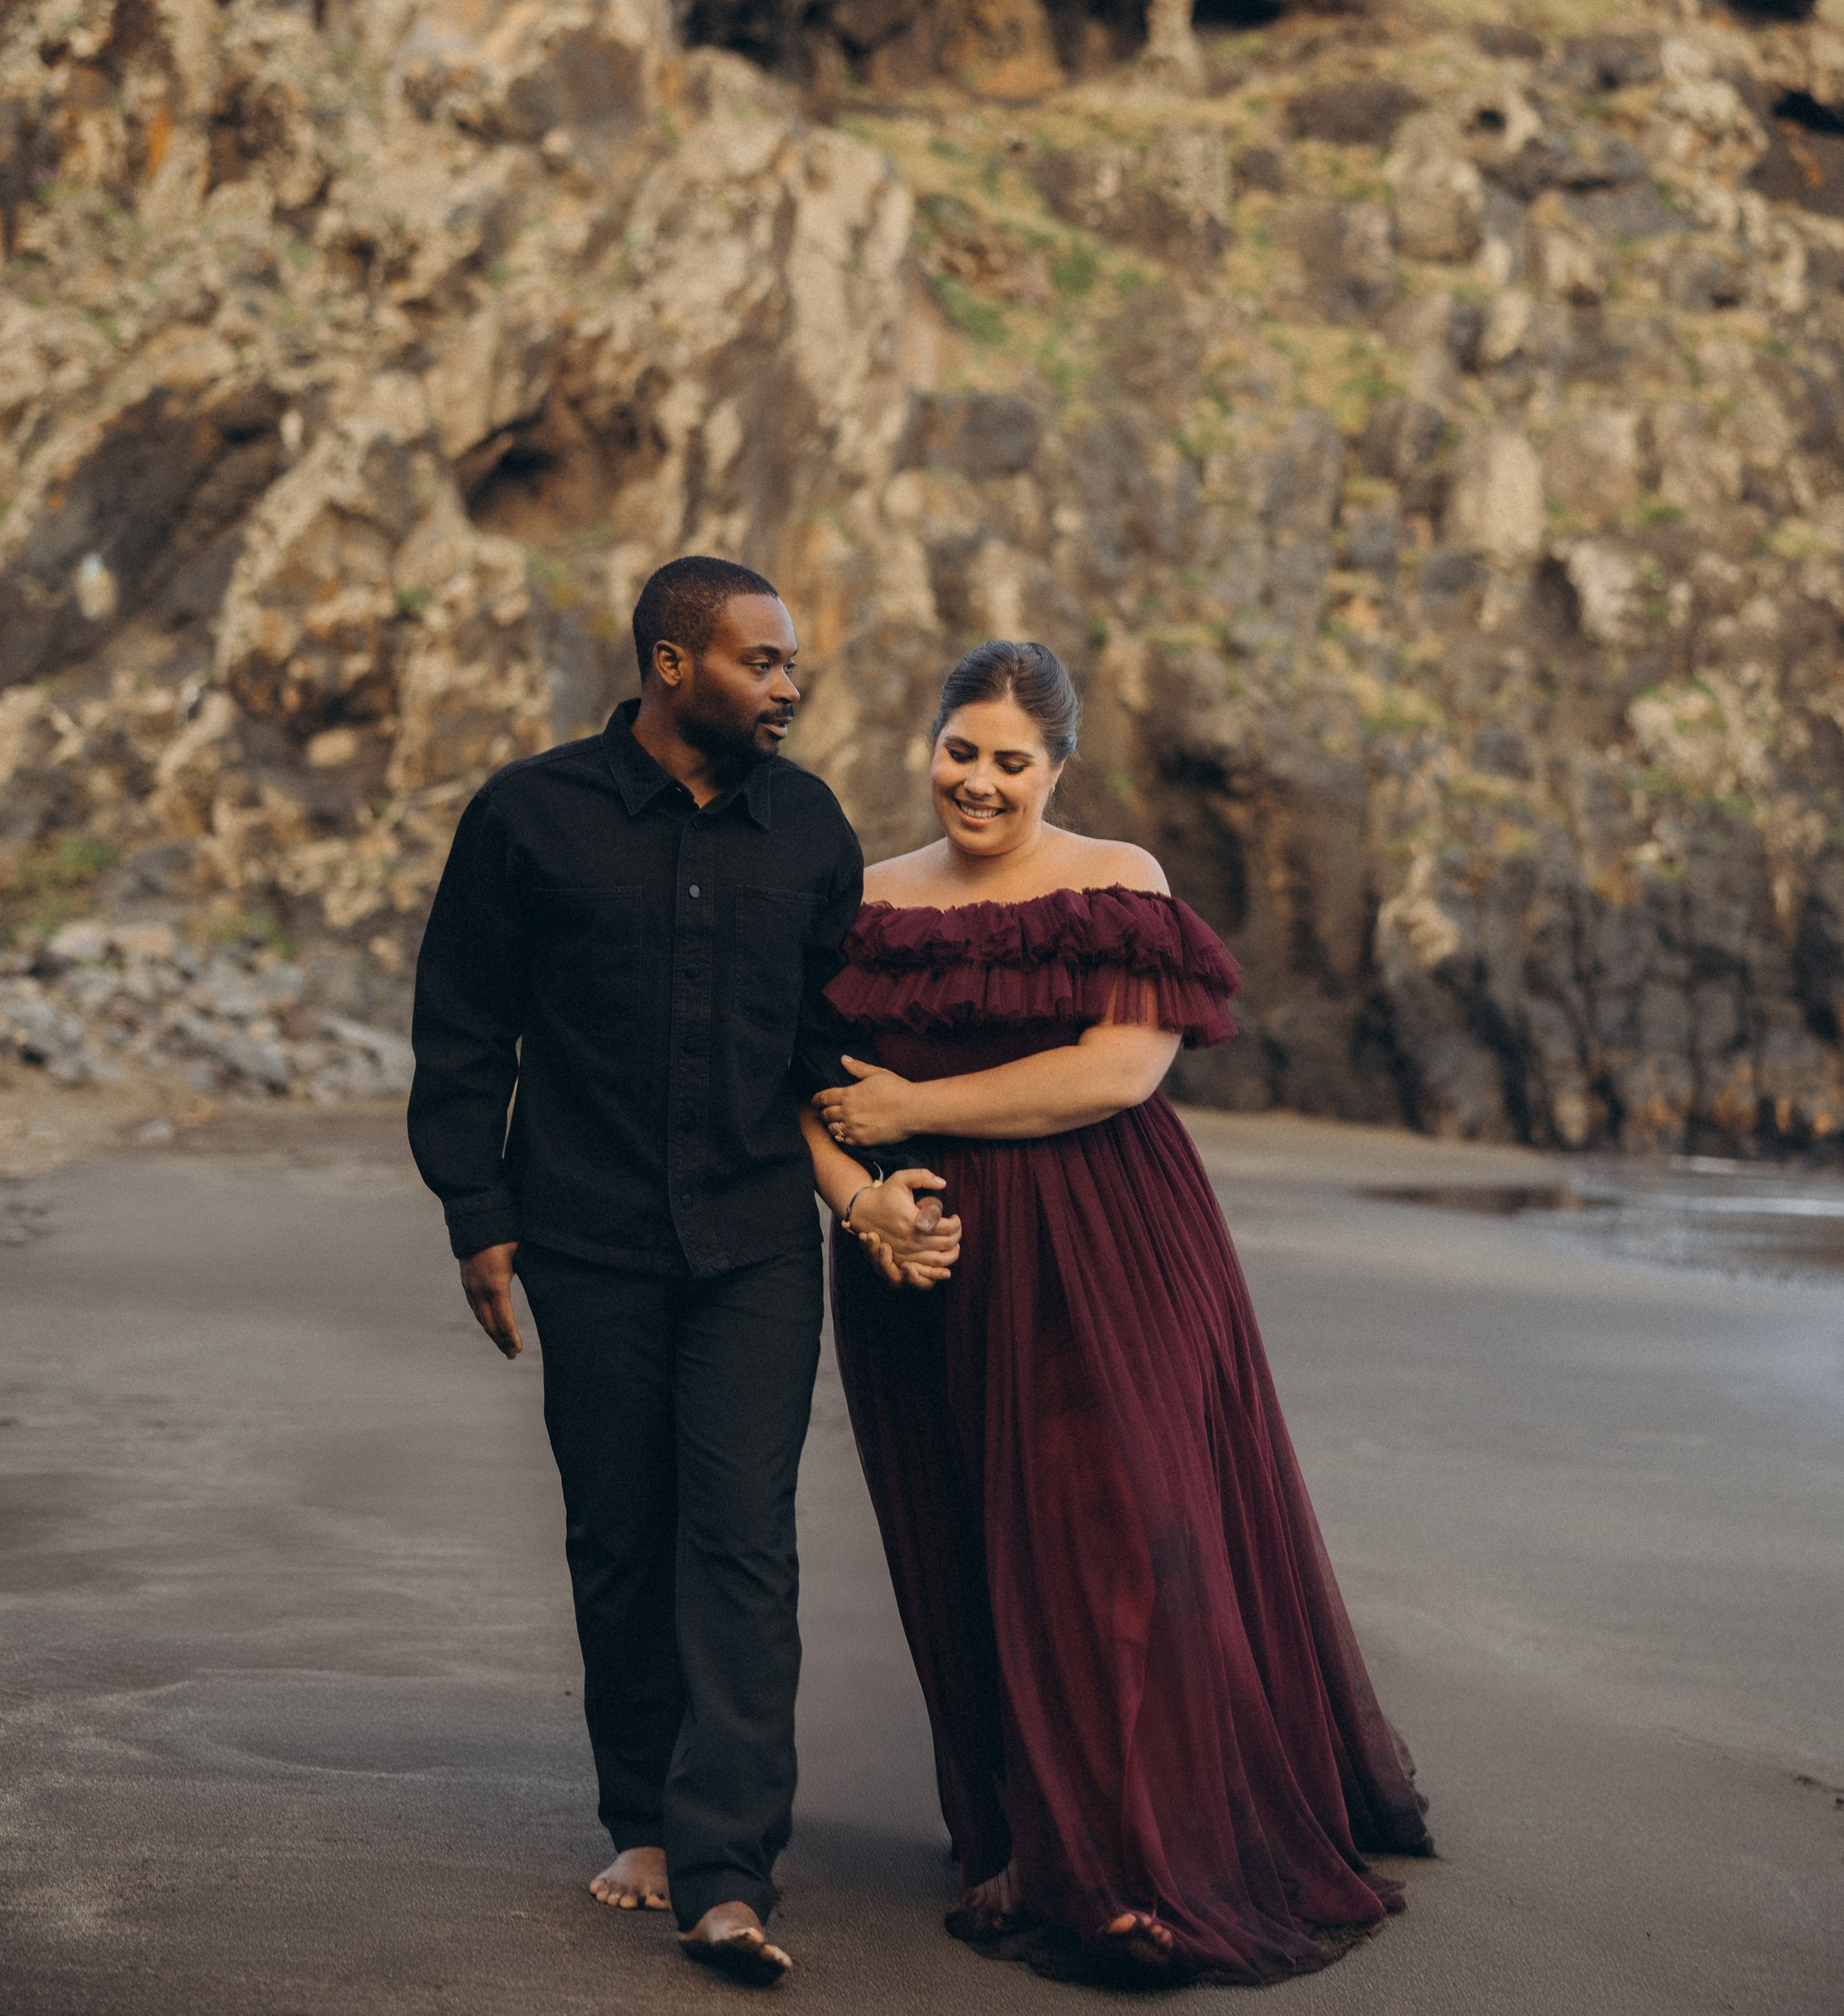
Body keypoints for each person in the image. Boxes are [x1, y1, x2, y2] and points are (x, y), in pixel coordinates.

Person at [810, 639, 1433, 1986]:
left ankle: (1138, 1862)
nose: (979, 782)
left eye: (1011, 762)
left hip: (1112, 1245)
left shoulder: (1118, 883)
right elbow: (812, 1080)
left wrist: (909, 1109)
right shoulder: (861, 899)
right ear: (930, 744)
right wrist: (866, 1198)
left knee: (1128, 1532)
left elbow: (1117, 1074)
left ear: (1058, 768)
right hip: (927, 1259)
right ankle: (1026, 1840)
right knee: (972, 1537)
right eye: (960, 750)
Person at [407, 556, 954, 1989]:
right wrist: (476, 1210)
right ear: (671, 666)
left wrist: (887, 1167)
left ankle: (727, 1872)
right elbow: (462, 1026)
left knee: (739, 1545)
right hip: (584, 1237)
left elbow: (823, 1042)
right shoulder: (530, 816)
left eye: (790, 666)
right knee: (620, 1536)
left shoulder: (809, 827)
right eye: (761, 663)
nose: (790, 687)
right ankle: (641, 1818)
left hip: (755, 1241)